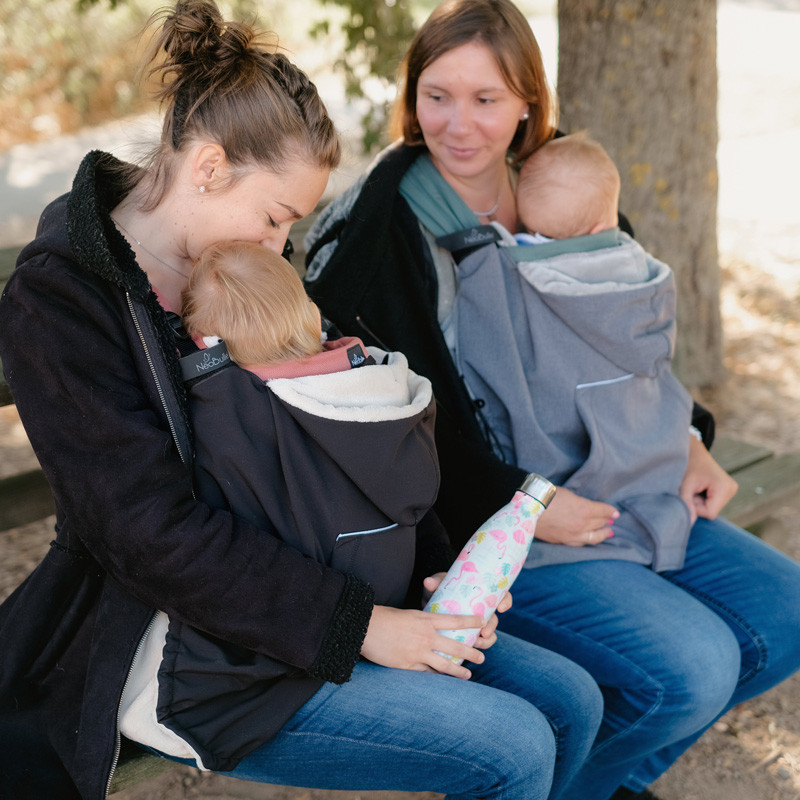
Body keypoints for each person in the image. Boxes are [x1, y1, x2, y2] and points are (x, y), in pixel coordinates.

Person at [0, 1, 603, 798]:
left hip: (326, 578)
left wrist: (426, 567)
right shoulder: (65, 299)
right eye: (276, 216)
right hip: (188, 644)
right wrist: (363, 626)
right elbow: (146, 534)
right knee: (515, 745)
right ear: (209, 167)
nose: (281, 247)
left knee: (571, 702)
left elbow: (337, 422)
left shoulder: (238, 259)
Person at [302, 0, 800, 798]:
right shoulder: (374, 232)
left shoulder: (568, 185)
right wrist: (527, 498)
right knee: (694, 668)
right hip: (491, 524)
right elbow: (374, 433)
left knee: (783, 612)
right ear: (411, 94)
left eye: (487, 99)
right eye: (438, 95)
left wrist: (691, 437)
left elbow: (626, 339)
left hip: (620, 477)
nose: (458, 125)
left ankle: (593, 785)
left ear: (530, 99)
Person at [459, 130, 694, 572]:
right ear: (603, 228)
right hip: (653, 481)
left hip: (570, 498)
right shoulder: (642, 276)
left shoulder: (504, 270)